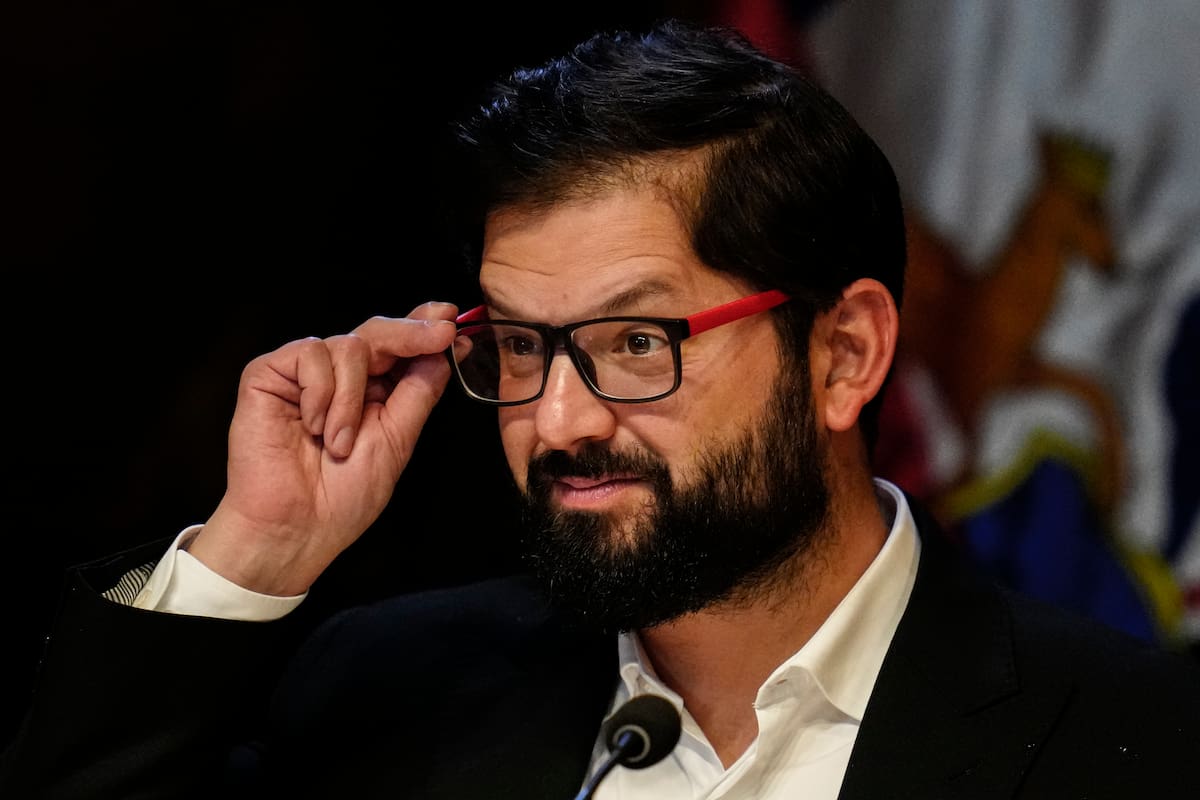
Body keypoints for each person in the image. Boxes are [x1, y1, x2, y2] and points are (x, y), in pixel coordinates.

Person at [3, 18, 1198, 800]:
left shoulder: (1134, 741)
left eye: (636, 342)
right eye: (524, 345)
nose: (561, 420)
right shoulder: (396, 686)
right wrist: (253, 554)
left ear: (845, 354)